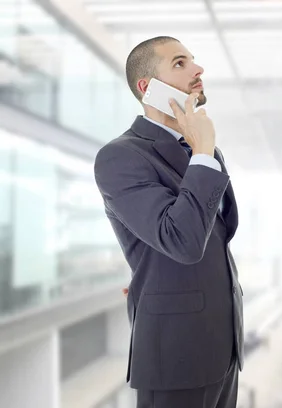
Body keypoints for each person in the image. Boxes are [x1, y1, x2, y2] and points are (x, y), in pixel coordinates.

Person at [94, 36, 243, 408]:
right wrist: (205, 153)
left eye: (193, 60)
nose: (198, 70)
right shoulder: (120, 157)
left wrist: (204, 151)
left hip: (223, 346)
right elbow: (182, 240)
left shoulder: (198, 149)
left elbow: (213, 239)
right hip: (176, 354)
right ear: (147, 88)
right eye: (180, 63)